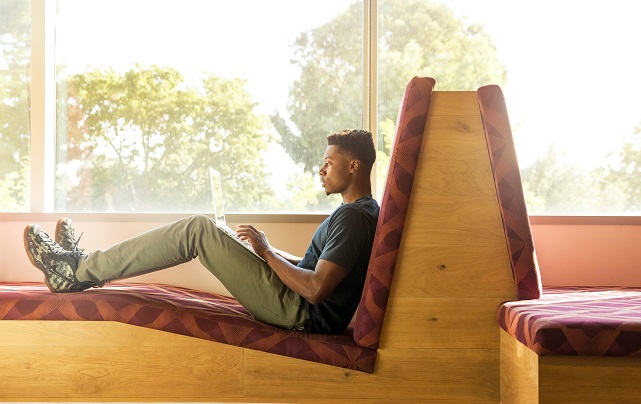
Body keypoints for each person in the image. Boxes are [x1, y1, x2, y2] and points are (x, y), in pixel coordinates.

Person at [23, 129, 380, 334]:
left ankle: (77, 271)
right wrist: (261, 248)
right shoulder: (359, 212)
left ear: (354, 165)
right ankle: (82, 267)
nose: (321, 170)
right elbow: (312, 268)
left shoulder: (352, 218)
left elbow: (316, 290)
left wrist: (268, 253)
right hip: (296, 303)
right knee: (206, 230)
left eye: (329, 163)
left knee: (197, 229)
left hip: (300, 314)